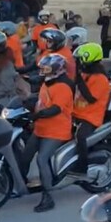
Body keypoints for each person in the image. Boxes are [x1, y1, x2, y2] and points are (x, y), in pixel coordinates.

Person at [20, 54, 74, 213]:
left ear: (57, 70)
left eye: (46, 68)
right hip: (41, 128)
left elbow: (55, 109)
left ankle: (48, 196)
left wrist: (36, 115)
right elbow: (41, 100)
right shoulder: (48, 82)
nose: (43, 71)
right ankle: (21, 185)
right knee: (25, 155)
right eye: (42, 68)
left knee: (42, 159)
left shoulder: (63, 86)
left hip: (56, 131)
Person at [68, 43, 111, 179]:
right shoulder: (86, 74)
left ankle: (82, 167)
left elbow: (90, 98)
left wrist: (79, 79)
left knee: (80, 137)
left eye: (80, 60)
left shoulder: (100, 79)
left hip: (91, 117)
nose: (78, 63)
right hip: (77, 113)